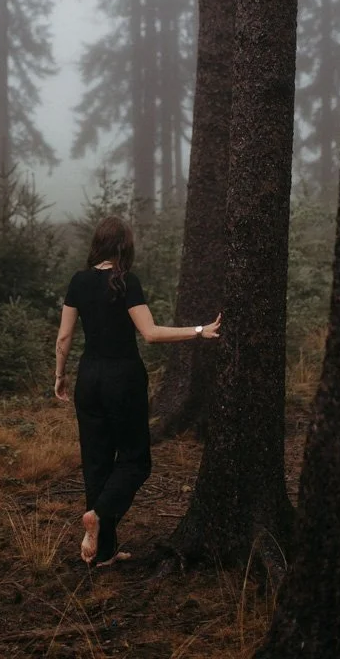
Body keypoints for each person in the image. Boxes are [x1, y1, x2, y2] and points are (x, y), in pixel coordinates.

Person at [54, 215, 221, 567]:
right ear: (124, 247)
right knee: (136, 461)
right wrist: (198, 329)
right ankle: (99, 514)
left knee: (96, 462)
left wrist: (59, 375)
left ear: (97, 244)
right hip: (123, 378)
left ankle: (101, 552)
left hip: (88, 377)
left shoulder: (79, 281)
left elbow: (64, 337)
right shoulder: (126, 282)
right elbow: (151, 333)